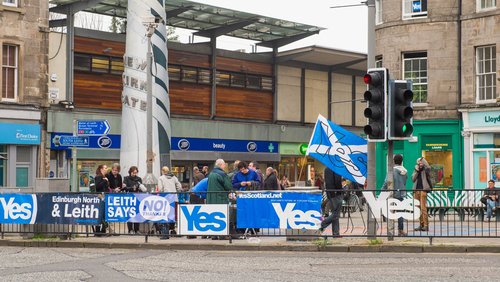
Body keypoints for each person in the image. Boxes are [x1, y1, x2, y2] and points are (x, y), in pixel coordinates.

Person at [382, 154, 408, 236]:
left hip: (392, 193)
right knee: (400, 213)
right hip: (402, 193)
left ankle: (391, 230)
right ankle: (401, 230)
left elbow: (387, 182)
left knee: (391, 212)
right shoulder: (405, 171)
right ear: (402, 161)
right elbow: (404, 182)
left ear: (394, 161)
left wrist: (382, 190)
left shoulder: (392, 171)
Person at [157, 166, 182, 239]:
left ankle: (165, 233)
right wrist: (176, 191)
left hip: (166, 199)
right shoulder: (174, 177)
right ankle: (173, 230)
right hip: (174, 198)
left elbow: (161, 189)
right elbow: (179, 187)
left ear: (162, 171)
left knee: (165, 215)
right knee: (174, 215)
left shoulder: (161, 178)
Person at [318, 167, 343, 236]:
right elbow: (338, 181)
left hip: (330, 192)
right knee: (336, 214)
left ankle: (336, 233)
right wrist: (340, 190)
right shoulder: (336, 168)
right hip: (336, 192)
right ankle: (322, 224)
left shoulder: (326, 168)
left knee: (335, 213)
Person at [412, 157, 432, 232]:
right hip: (416, 190)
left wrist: (423, 162)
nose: (419, 164)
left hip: (423, 190)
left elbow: (428, 168)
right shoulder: (416, 169)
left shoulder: (425, 169)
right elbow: (413, 179)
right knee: (418, 209)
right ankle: (421, 224)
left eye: (421, 162)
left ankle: (426, 225)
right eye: (418, 162)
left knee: (423, 208)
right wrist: (417, 171)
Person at [123, 166, 143, 234]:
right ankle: (130, 229)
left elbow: (141, 187)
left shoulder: (139, 179)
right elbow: (124, 187)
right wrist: (132, 188)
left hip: (137, 197)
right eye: (133, 173)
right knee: (130, 213)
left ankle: (137, 229)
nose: (135, 174)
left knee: (137, 213)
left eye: (136, 173)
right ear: (130, 172)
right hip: (129, 197)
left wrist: (137, 188)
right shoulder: (126, 178)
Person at [94, 164, 109, 237]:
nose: (107, 169)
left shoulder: (104, 177)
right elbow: (97, 186)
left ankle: (103, 230)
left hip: (104, 197)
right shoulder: (99, 177)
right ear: (101, 169)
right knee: (100, 214)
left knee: (104, 214)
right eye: (105, 168)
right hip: (100, 197)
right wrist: (104, 181)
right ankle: (98, 231)